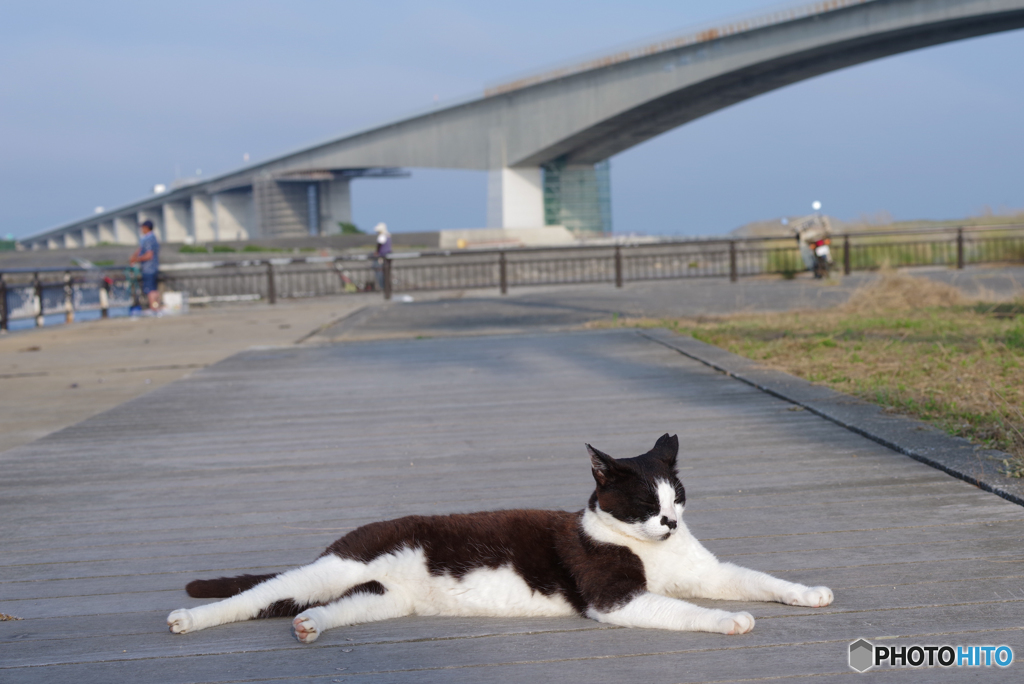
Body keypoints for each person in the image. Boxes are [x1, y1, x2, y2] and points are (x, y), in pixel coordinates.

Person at [130, 220, 161, 311]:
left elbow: (149, 255)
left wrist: (136, 259)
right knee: (154, 288)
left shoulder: (148, 239)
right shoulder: (153, 238)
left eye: (142, 227)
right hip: (154, 267)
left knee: (150, 289)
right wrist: (135, 255)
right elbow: (141, 249)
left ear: (146, 228)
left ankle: (153, 308)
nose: (141, 229)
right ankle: (156, 307)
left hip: (148, 268)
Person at [373, 222, 392, 291]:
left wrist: (377, 252)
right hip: (388, 255)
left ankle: (385, 287)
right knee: (387, 272)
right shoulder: (387, 235)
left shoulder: (382, 236)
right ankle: (387, 287)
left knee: (383, 272)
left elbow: (379, 245)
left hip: (383, 256)